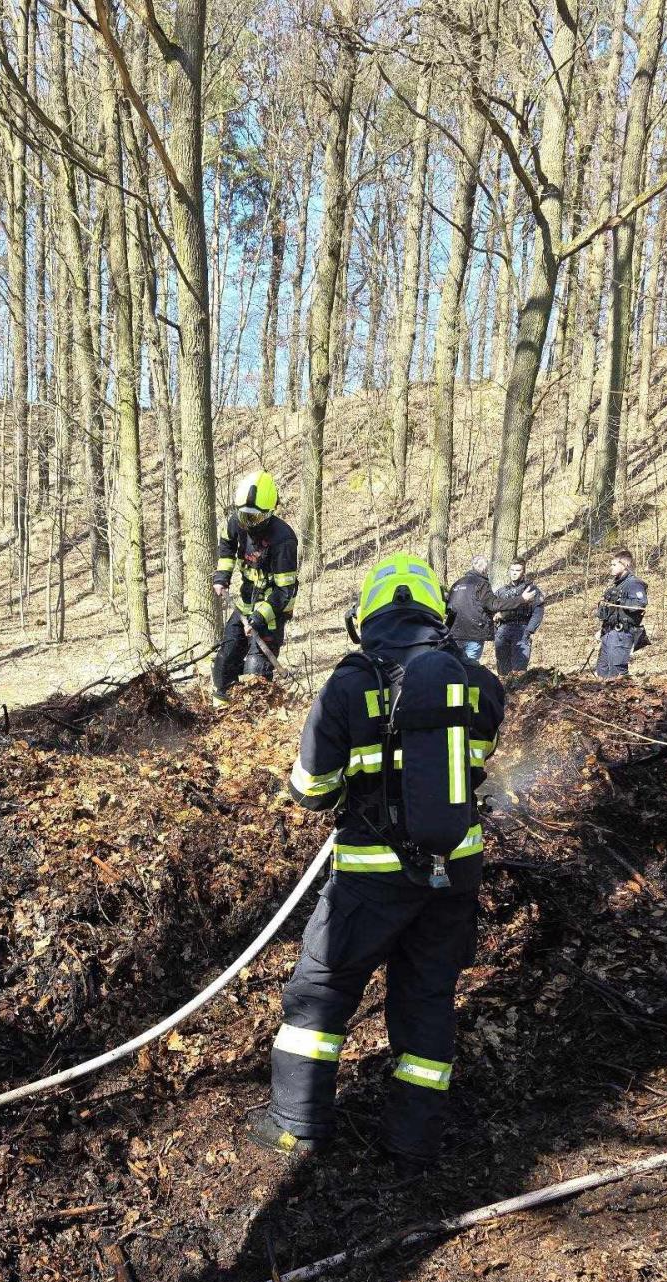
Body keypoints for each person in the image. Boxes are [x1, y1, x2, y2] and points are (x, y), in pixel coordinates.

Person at [248, 552, 505, 1172]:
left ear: (363, 618)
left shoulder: (349, 684)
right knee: (428, 996)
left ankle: (295, 1125)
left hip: (370, 876)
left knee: (323, 989)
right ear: (439, 615)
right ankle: (412, 1140)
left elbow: (311, 788)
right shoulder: (480, 686)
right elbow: (475, 765)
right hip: (454, 872)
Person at [211, 472, 298, 709]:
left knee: (255, 671)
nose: (248, 523)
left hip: (271, 611)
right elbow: (227, 545)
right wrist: (222, 576)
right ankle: (220, 711)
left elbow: (285, 591)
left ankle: (256, 717)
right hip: (245, 602)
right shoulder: (236, 522)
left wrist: (259, 619)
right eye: (245, 516)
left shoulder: (283, 539)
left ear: (269, 513)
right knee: (225, 658)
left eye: (255, 517)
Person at [595, 548, 649, 678]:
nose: (611, 567)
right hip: (609, 632)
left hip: (622, 634)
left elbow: (640, 604)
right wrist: (601, 630)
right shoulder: (617, 584)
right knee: (602, 671)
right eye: (611, 564)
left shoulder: (634, 584)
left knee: (617, 675)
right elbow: (612, 612)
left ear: (626, 565)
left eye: (614, 564)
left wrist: (621, 601)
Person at [492, 560, 544, 676]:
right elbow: (492, 610)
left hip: (522, 630)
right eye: (512, 570)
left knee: (519, 671)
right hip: (502, 631)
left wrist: (529, 630)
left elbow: (538, 611)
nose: (514, 573)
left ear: (523, 572)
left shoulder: (531, 590)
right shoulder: (501, 591)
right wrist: (495, 629)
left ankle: (519, 687)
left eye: (518, 570)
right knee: (503, 671)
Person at [445, 557, 496, 663]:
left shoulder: (457, 583)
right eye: (486, 569)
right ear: (484, 569)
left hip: (455, 632)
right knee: (469, 666)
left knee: (454, 665)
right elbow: (491, 605)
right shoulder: (482, 583)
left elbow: (448, 607)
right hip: (474, 633)